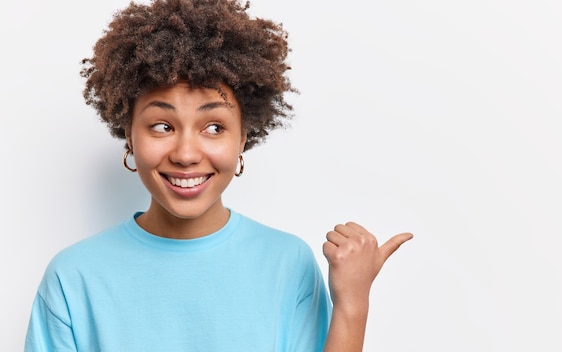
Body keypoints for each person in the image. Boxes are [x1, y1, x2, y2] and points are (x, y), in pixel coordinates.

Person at [24, 0, 413, 351]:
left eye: (214, 127)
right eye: (162, 126)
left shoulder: (287, 264)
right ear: (129, 134)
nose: (187, 154)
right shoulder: (73, 278)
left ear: (243, 137)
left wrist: (352, 304)